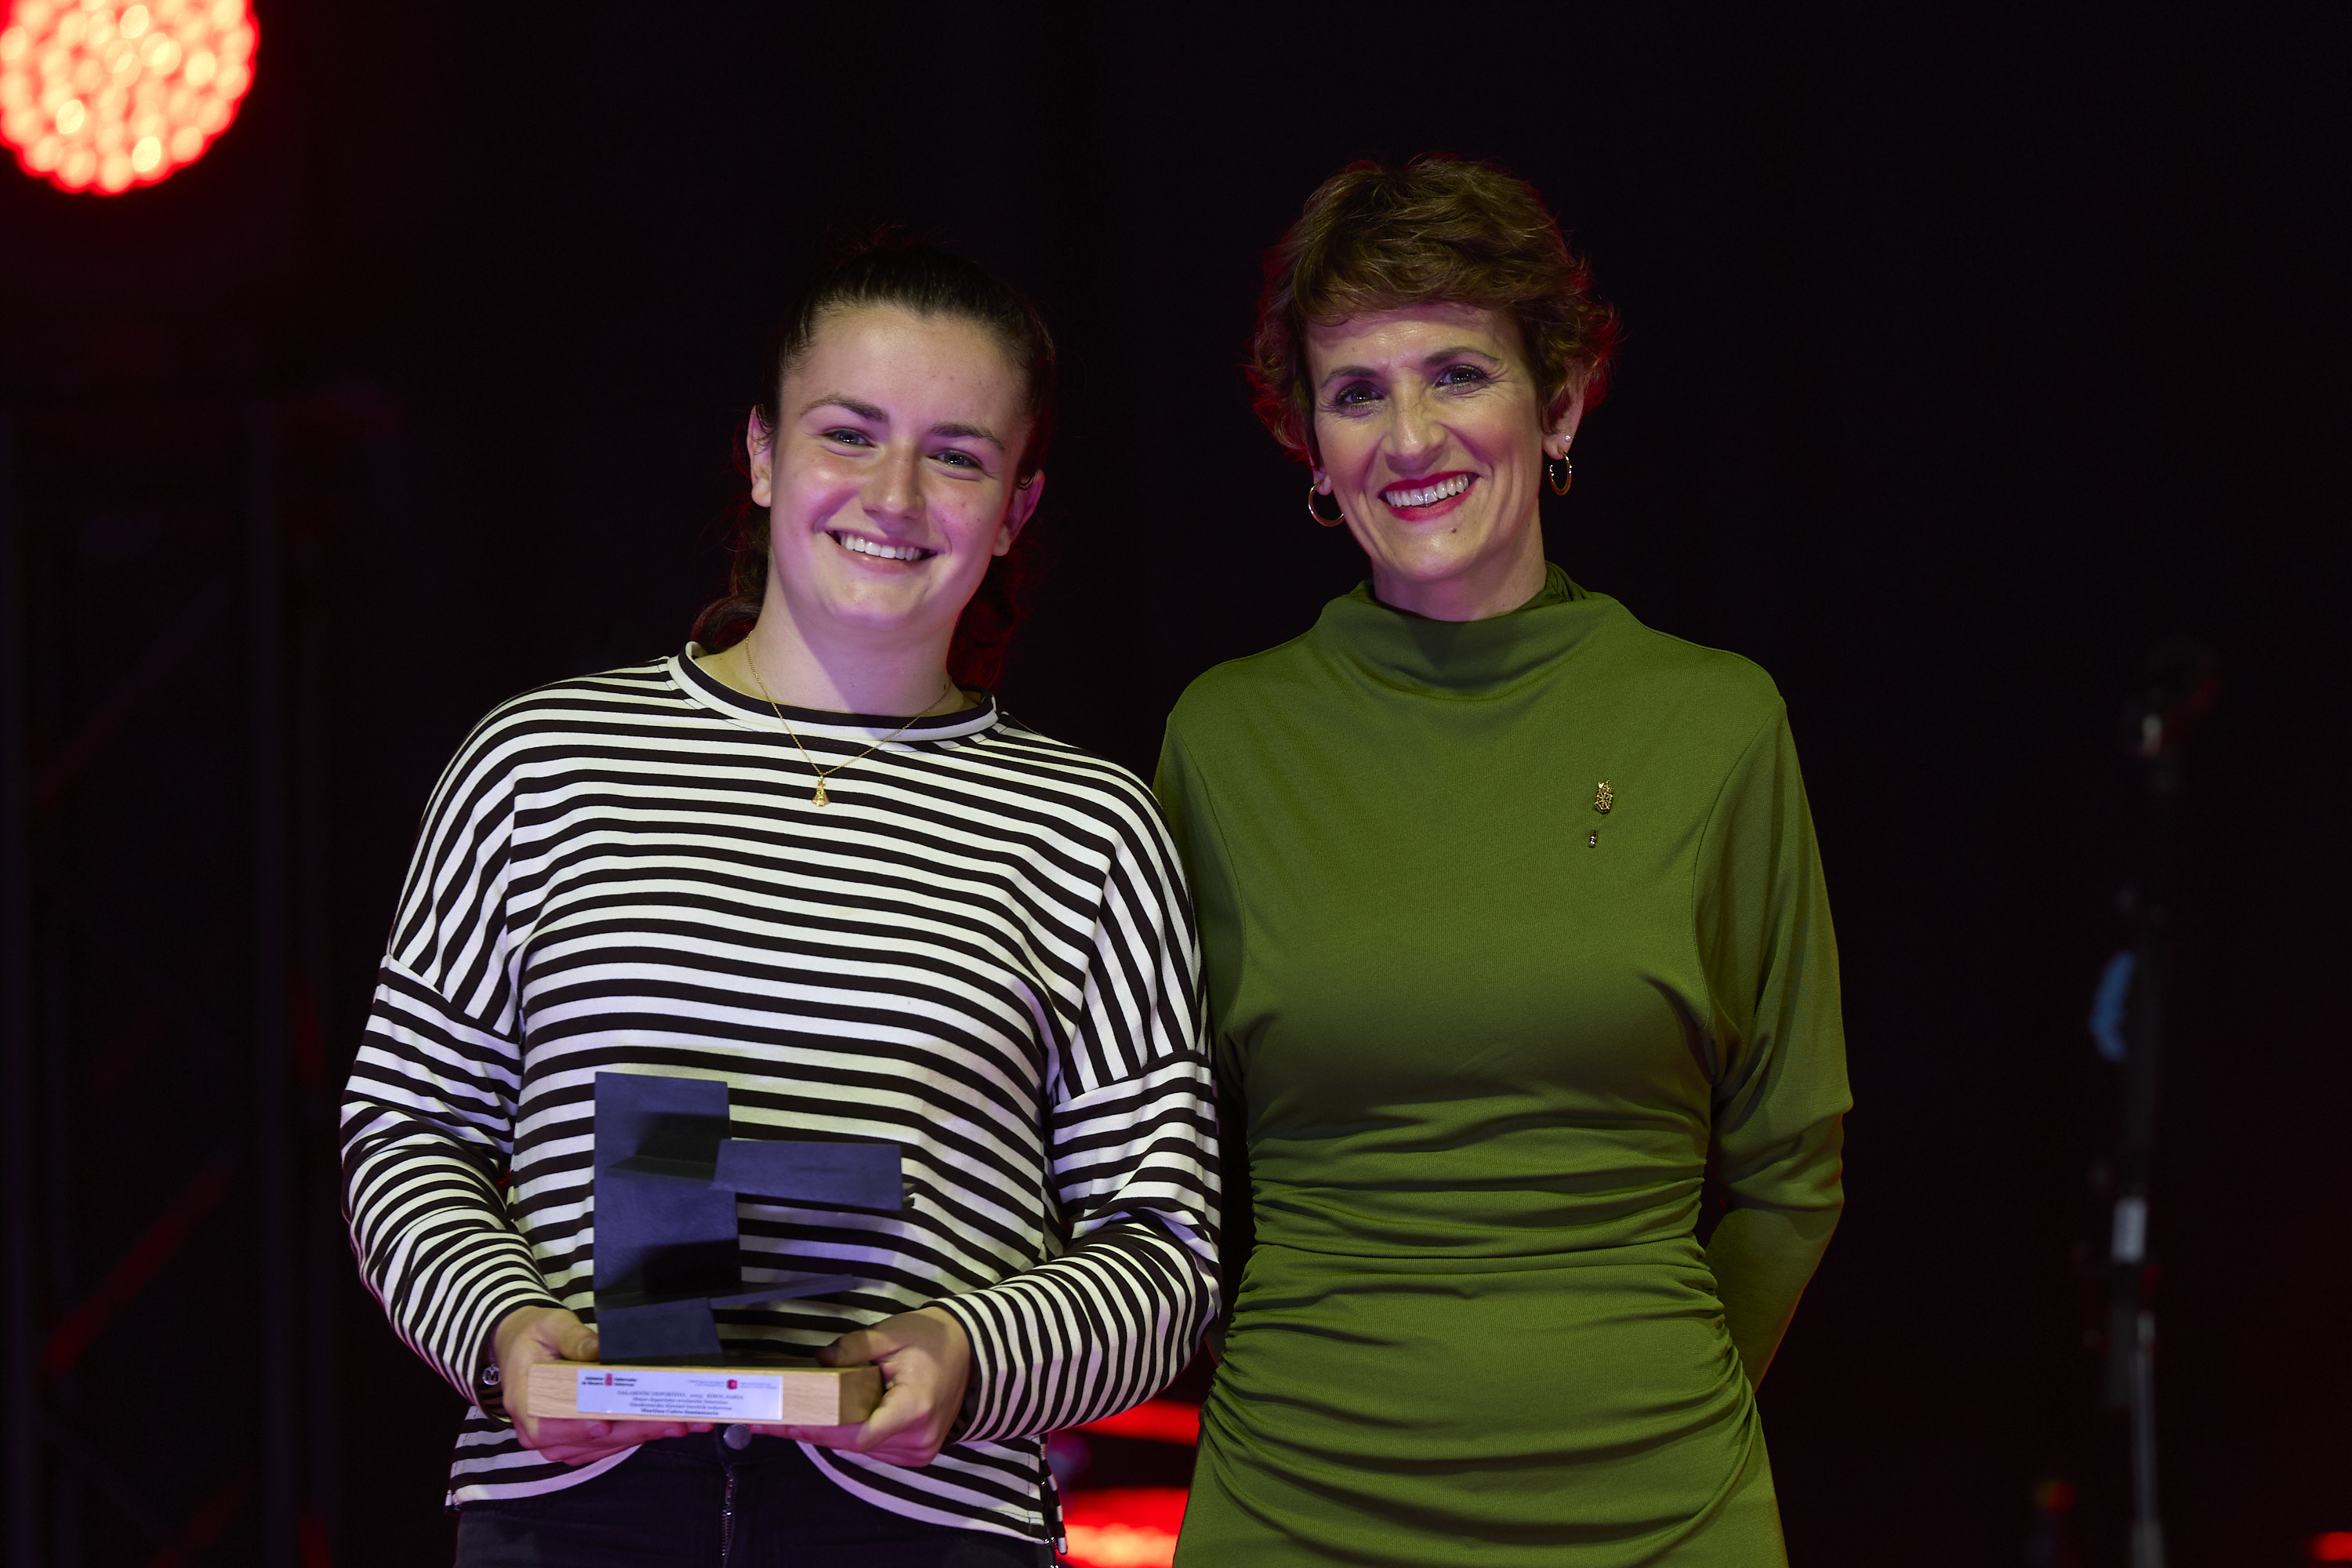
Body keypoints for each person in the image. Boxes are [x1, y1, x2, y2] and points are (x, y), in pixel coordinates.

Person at [341, 241, 1218, 1567]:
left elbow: (1164, 1247)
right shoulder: (543, 765)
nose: (895, 494)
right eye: (848, 433)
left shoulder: (1089, 829)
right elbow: (407, 1130)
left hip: (925, 1534)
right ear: (761, 453)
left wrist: (971, 1356)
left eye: (957, 455)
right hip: (568, 1519)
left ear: (1018, 508)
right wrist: (508, 1333)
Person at [1156, 157, 1849, 1566]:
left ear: (1563, 400)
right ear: (1309, 443)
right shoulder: (1224, 742)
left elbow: (1793, 1170)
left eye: (1459, 374)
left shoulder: (1716, 723)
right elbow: (1153, 1168)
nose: (1410, 436)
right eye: (1358, 392)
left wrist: (1641, 1403)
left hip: (1659, 1510)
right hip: (1299, 1503)